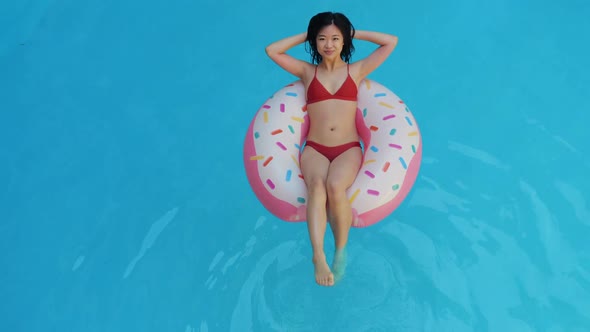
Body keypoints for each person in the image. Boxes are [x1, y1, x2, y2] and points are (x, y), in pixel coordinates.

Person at [265, 12, 398, 286]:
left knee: (335, 186)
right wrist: (307, 32)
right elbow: (272, 50)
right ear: (314, 42)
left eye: (335, 39)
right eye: (322, 38)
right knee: (316, 185)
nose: (328, 44)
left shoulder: (356, 70)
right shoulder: (307, 72)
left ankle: (340, 251)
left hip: (348, 148)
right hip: (315, 148)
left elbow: (390, 42)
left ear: (344, 41)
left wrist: (353, 32)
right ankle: (318, 256)